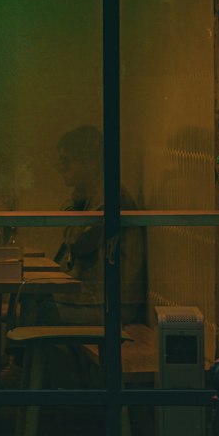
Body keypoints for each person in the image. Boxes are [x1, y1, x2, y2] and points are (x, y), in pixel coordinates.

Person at [19, 124, 142, 327]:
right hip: (104, 299)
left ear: (91, 163)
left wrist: (70, 208)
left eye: (66, 161)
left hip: (113, 305)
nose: (61, 167)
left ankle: (21, 358)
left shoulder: (108, 195)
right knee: (31, 298)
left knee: (36, 308)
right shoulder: (94, 195)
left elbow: (78, 243)